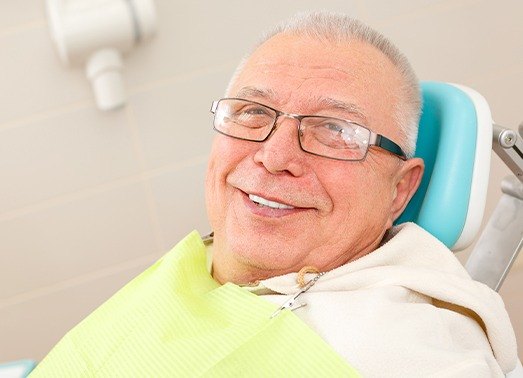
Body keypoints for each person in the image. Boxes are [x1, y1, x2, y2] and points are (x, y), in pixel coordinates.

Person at [30, 11, 517, 377]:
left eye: (333, 129)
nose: (273, 154)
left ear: (399, 189)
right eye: (252, 112)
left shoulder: (408, 353)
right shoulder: (204, 262)